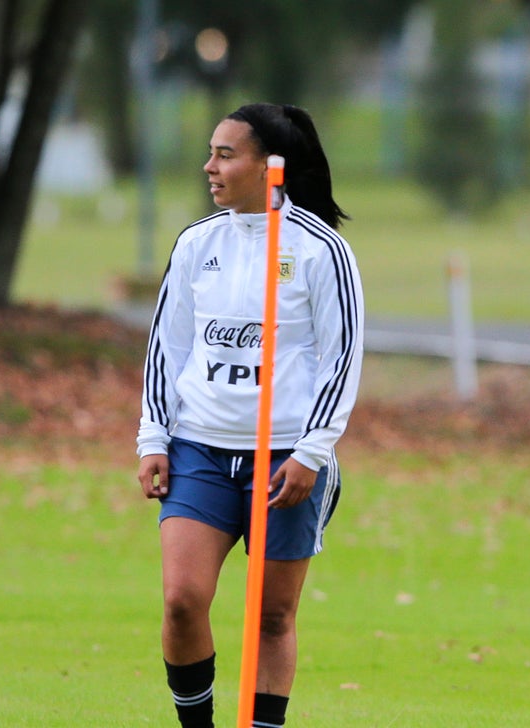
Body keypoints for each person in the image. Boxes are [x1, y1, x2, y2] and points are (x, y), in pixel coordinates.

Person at [137, 102, 364, 728]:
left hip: (285, 459)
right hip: (198, 450)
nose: (209, 166)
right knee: (183, 602)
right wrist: (153, 437)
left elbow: (341, 358)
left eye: (225, 154)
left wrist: (311, 453)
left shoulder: (321, 250)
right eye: (211, 152)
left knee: (271, 615)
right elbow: (168, 346)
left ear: (272, 166)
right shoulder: (196, 243)